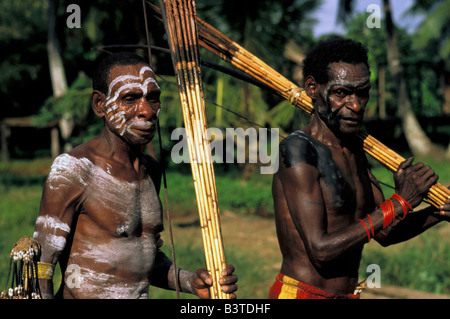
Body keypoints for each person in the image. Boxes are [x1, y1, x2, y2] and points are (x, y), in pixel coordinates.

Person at [32, 52, 238, 299]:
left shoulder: (150, 170)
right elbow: (40, 268)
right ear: (100, 105)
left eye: (153, 98)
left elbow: (139, 259)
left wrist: (190, 282)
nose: (147, 111)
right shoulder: (75, 169)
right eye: (130, 98)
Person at [269, 38, 450, 299]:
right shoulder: (297, 149)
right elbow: (320, 250)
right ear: (312, 87)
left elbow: (386, 231)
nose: (356, 106)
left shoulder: (355, 150)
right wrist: (399, 203)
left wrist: (439, 211)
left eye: (362, 93)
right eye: (341, 93)